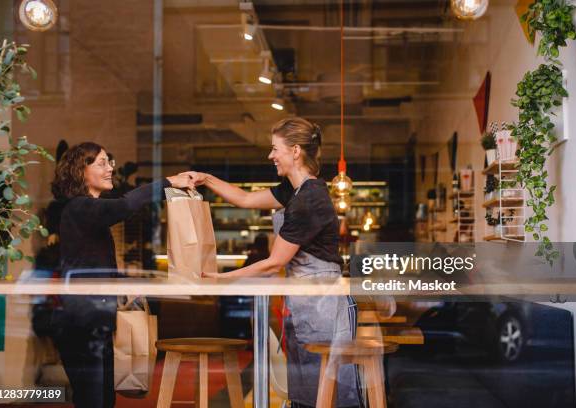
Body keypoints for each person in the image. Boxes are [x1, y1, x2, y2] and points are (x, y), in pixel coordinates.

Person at [188, 117, 362, 407]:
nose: (270, 156)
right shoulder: (293, 191)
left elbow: (274, 262)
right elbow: (244, 199)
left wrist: (223, 278)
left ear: (295, 151)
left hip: (322, 306)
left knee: (328, 393)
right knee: (306, 390)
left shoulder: (309, 199)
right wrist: (205, 178)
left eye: (274, 149)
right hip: (305, 301)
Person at [49, 142, 193, 408]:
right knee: (93, 400)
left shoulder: (87, 212)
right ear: (81, 171)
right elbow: (124, 207)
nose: (110, 168)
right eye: (102, 163)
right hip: (81, 324)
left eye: (109, 162)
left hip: (95, 320)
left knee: (104, 399)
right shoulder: (79, 208)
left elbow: (93, 266)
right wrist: (169, 181)